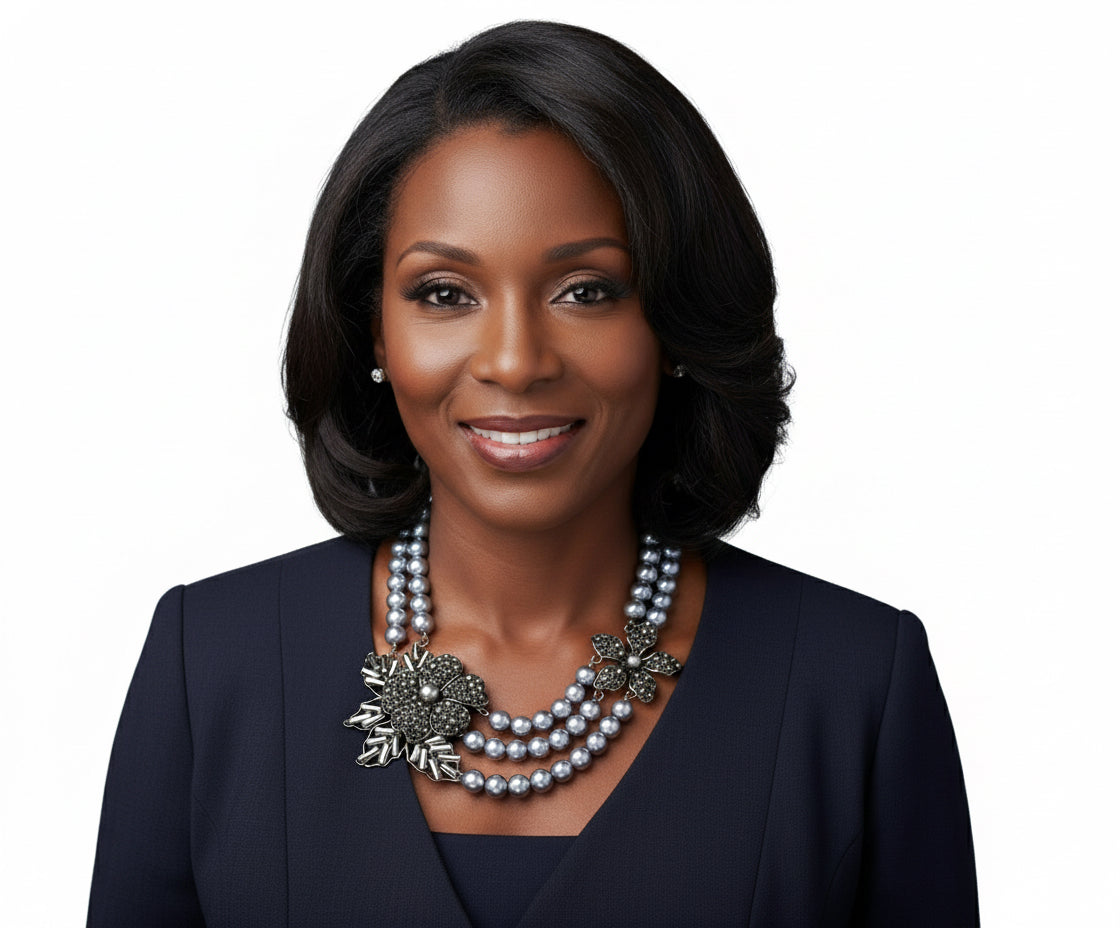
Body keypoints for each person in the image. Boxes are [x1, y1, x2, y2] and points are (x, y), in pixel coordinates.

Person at [87, 20, 978, 928]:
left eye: (587, 291)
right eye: (445, 293)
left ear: (674, 325)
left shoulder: (854, 683)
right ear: (373, 333)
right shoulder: (214, 665)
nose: (515, 361)